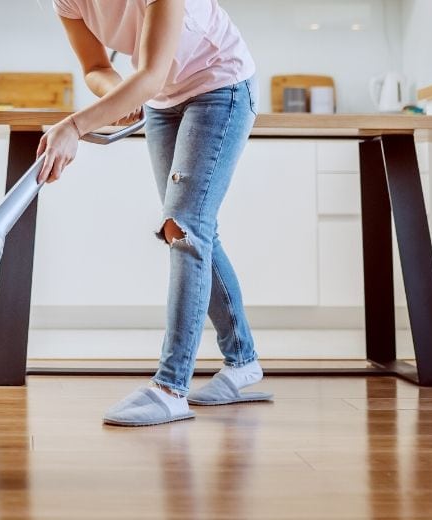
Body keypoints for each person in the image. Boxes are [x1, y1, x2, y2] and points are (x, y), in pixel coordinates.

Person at [38, 0, 272, 427]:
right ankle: (243, 363)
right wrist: (114, 92)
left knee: (184, 228)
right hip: (163, 102)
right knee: (188, 229)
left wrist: (74, 126)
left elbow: (150, 75)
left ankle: (170, 388)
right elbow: (94, 65)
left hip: (220, 86)